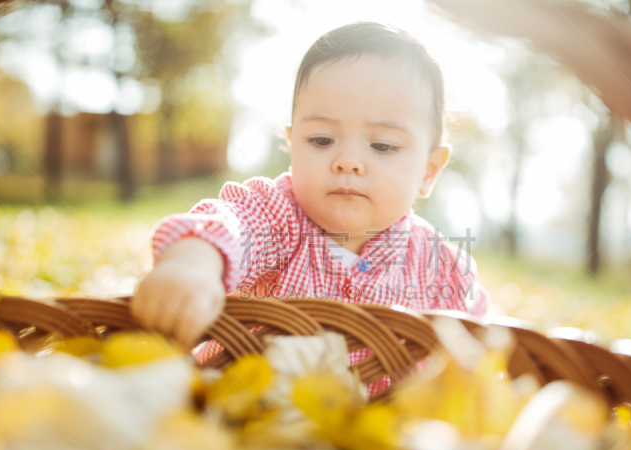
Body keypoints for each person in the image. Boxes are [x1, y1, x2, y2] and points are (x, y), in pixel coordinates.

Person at [131, 21, 489, 395]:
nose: (348, 161)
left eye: (382, 146)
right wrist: (194, 263)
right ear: (291, 144)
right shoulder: (278, 217)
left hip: (374, 442)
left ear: (429, 171)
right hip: (244, 418)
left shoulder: (442, 269)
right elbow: (230, 225)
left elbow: (480, 352)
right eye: (321, 139)